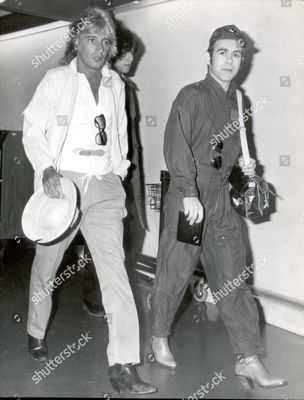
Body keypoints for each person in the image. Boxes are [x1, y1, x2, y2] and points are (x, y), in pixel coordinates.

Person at [22, 7, 156, 395]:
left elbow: (117, 136)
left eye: (105, 42)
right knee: (46, 267)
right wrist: (47, 168)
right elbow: (33, 128)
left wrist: (118, 179)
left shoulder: (116, 84)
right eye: (91, 40)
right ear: (76, 42)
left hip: (105, 186)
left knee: (116, 274)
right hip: (62, 185)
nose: (99, 48)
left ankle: (124, 365)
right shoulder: (56, 80)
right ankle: (35, 329)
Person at [149, 25, 287, 390]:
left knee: (233, 277)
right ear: (208, 56)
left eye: (236, 54)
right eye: (222, 53)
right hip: (188, 195)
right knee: (176, 270)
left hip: (221, 198)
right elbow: (176, 145)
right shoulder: (190, 96)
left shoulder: (238, 101)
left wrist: (245, 170)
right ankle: (158, 336)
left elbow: (234, 150)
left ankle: (248, 358)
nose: (229, 61)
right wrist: (188, 190)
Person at [81, 22, 147, 318]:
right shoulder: (100, 85)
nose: (131, 58)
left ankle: (112, 297)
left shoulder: (126, 87)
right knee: (109, 238)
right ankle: (98, 299)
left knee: (130, 234)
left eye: (134, 53)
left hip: (128, 175)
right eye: (127, 52)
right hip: (107, 175)